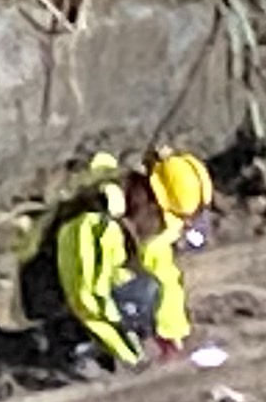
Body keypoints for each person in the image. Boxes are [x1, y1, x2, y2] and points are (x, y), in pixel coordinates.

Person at [37, 150, 212, 370]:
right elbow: (88, 299)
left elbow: (163, 271)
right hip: (49, 291)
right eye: (161, 216)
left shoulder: (140, 218)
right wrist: (131, 356)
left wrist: (171, 335)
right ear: (147, 198)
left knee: (146, 291)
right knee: (133, 295)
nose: (163, 226)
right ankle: (66, 348)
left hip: (85, 291)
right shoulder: (95, 223)